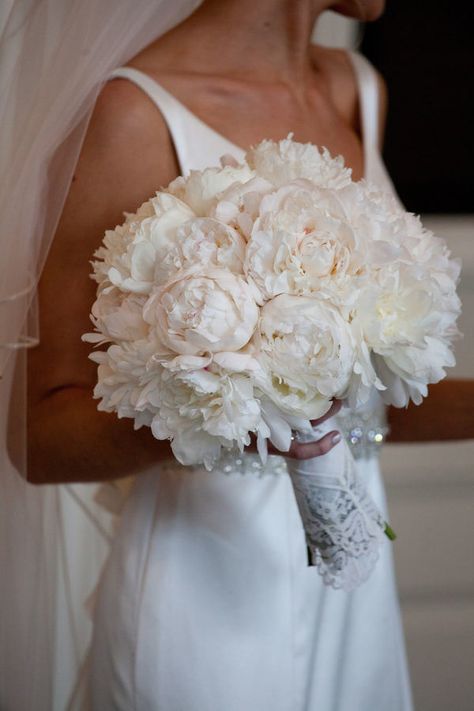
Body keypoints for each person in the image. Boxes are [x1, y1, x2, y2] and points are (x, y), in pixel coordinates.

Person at [4, 0, 470, 708]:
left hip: (353, 590)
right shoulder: (131, 113)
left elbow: (358, 407)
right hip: (205, 599)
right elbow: (40, 438)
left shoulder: (356, 88)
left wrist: (311, 399)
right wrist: (230, 403)